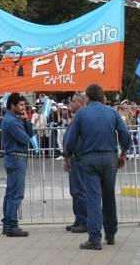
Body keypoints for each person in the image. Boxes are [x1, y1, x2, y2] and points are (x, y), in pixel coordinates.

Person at [64, 84, 131, 250]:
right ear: (102, 97)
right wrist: (123, 153)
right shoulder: (112, 112)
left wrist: (67, 156)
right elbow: (125, 134)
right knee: (109, 196)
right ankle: (111, 234)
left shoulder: (81, 115)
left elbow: (71, 139)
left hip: (89, 159)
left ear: (87, 97)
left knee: (93, 198)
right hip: (109, 159)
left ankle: (94, 238)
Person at [1, 92, 33, 237]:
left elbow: (29, 134)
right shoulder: (12, 121)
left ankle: (7, 223)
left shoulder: (13, 118)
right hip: (16, 158)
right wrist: (24, 122)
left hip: (14, 158)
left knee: (11, 193)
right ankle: (11, 225)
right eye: (20, 105)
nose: (23, 107)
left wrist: (25, 120)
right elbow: (26, 138)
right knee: (16, 194)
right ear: (12, 105)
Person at [62, 93, 87, 233]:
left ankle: (84, 220)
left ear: (80, 102)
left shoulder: (81, 117)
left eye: (73, 101)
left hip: (78, 158)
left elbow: (75, 139)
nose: (70, 103)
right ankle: (79, 218)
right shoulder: (77, 116)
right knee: (75, 191)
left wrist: (68, 155)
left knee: (80, 190)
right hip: (73, 158)